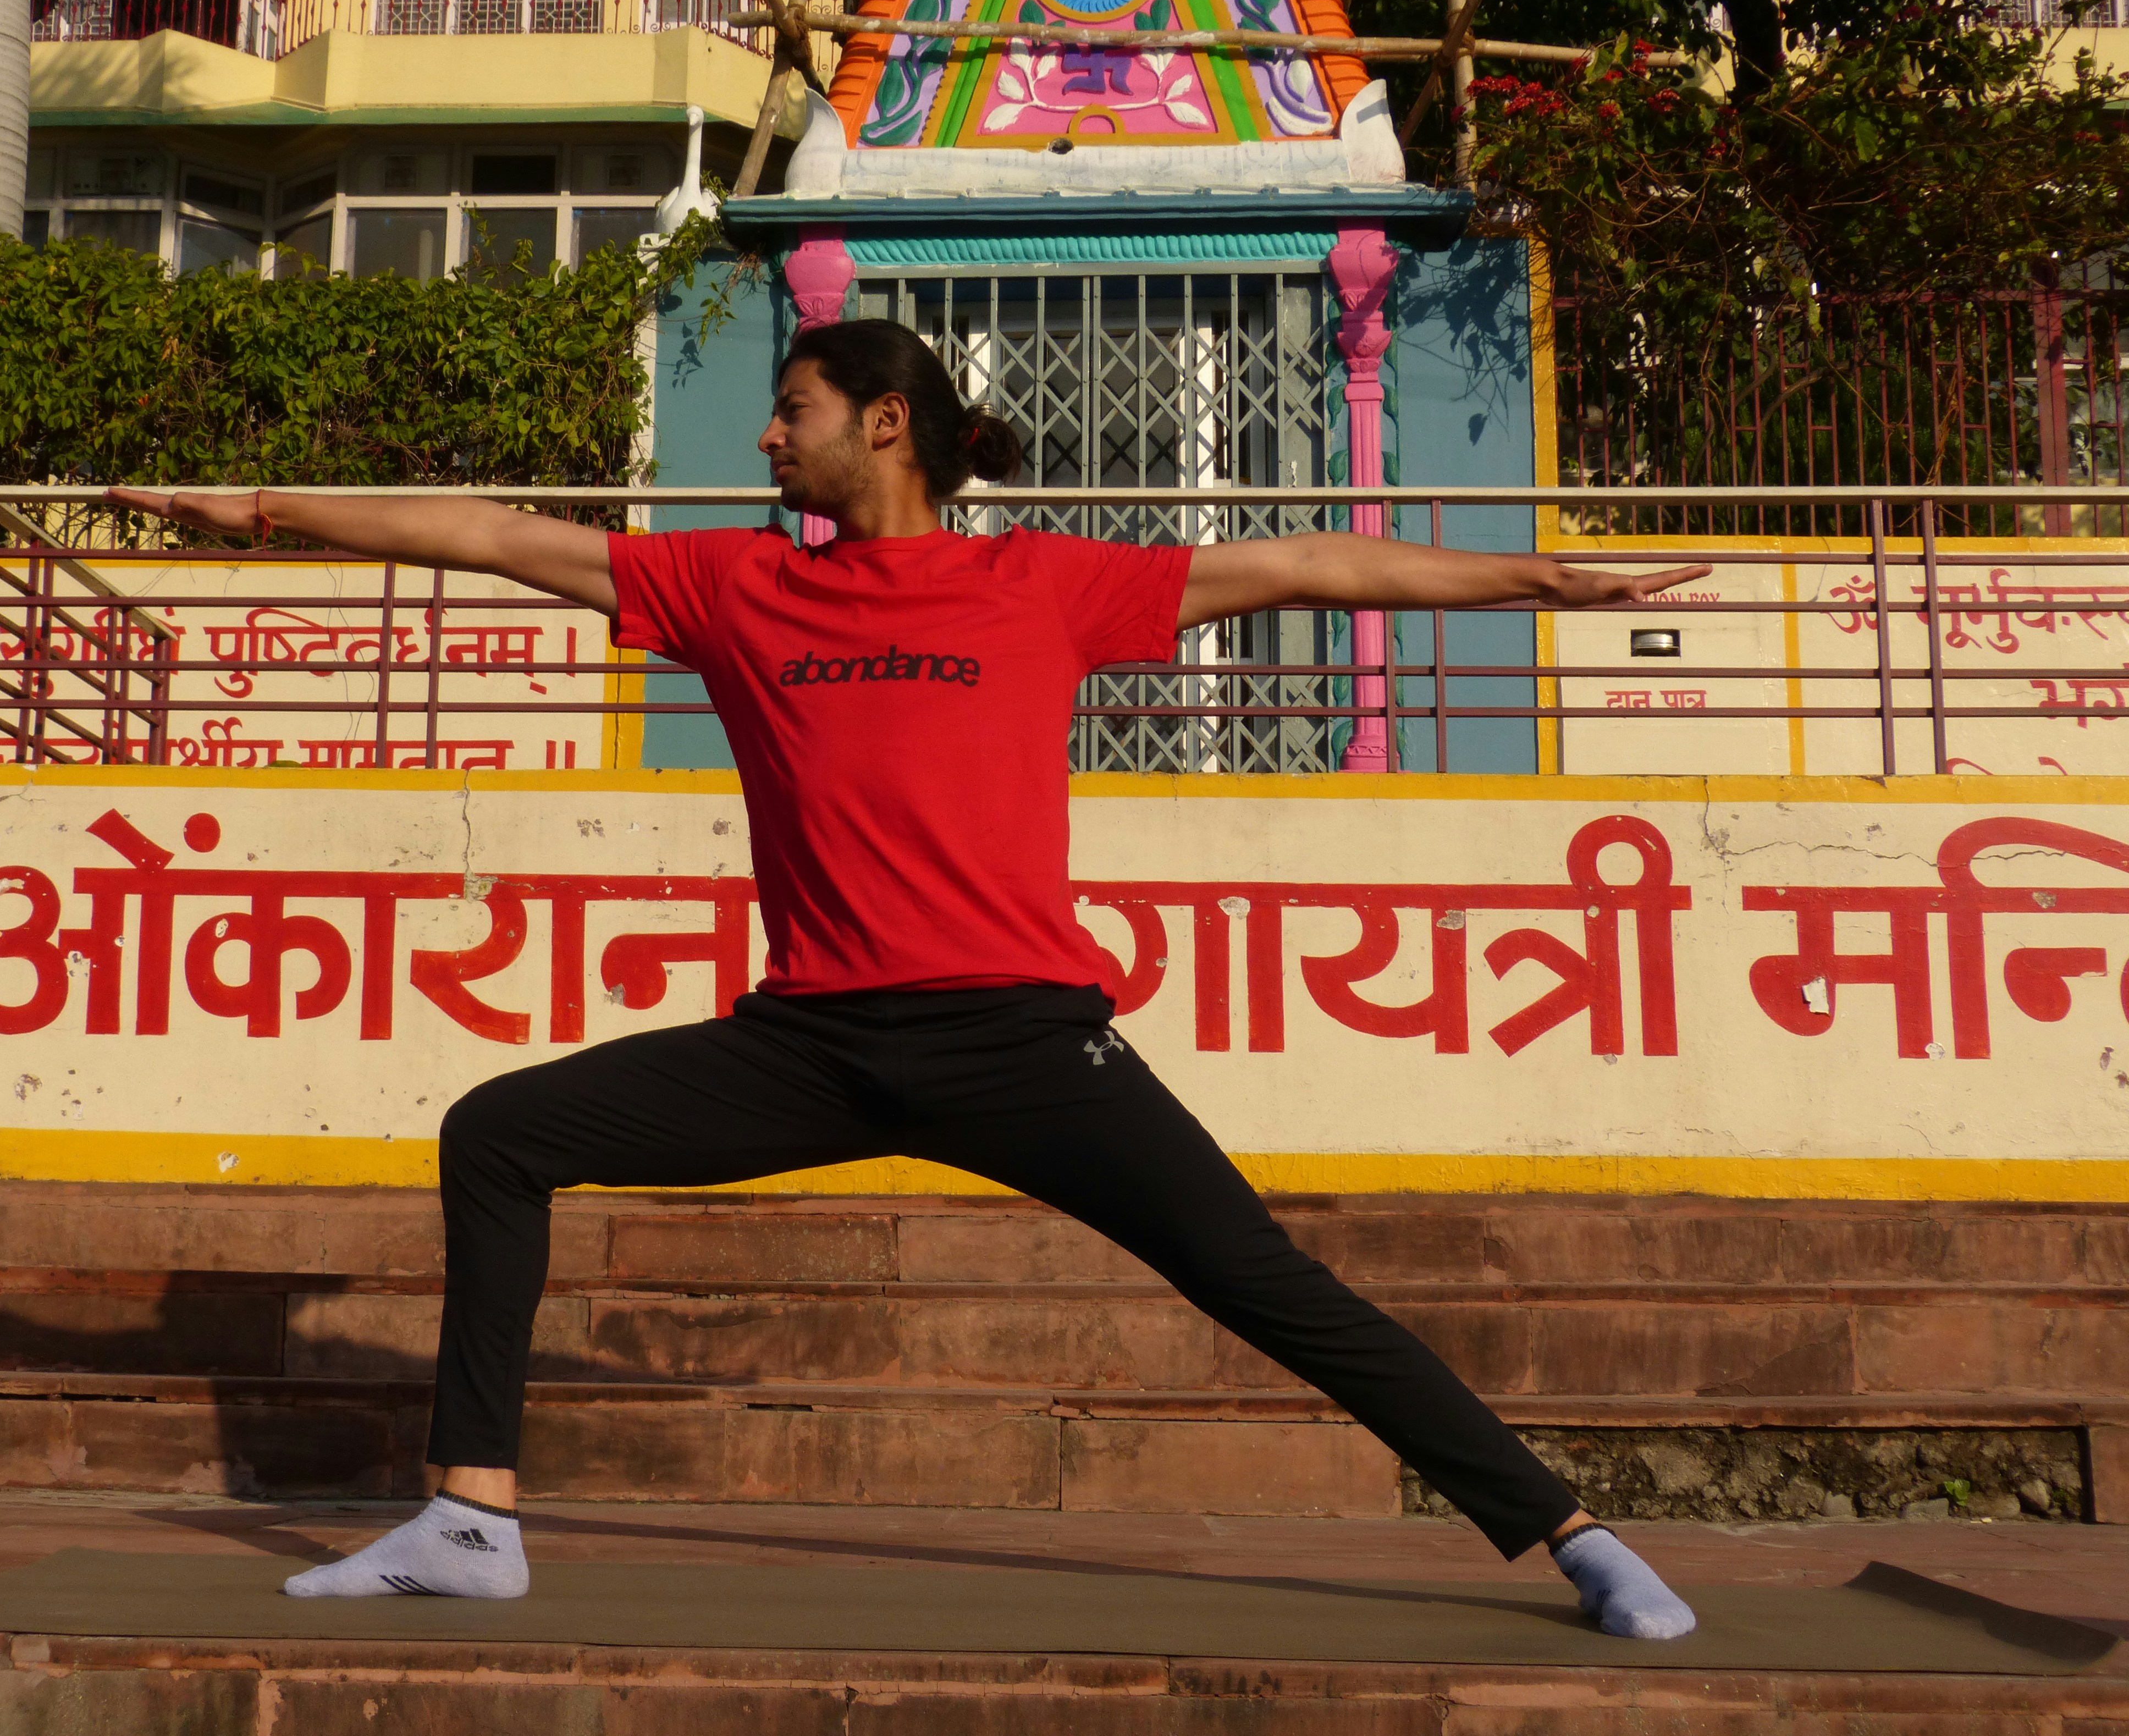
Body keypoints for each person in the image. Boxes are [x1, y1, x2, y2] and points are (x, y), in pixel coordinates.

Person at [106, 319, 1707, 1640]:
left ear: (884, 423)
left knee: (1272, 1289)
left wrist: (1543, 584)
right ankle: (471, 1520)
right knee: (499, 1131)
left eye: (786, 413)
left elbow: (1305, 566)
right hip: (806, 1045)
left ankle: (1573, 1540)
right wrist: (264, 511)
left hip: (1023, 1042)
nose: (765, 442)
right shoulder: (739, 586)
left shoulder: (1045, 586)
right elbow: (493, 535)